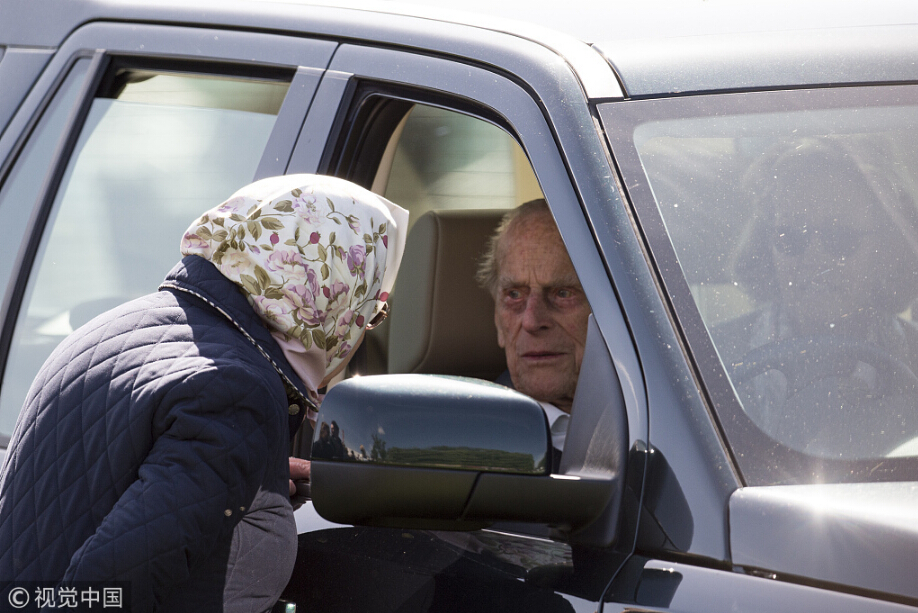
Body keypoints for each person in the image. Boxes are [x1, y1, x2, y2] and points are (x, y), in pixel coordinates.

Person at [0, 174, 408, 612]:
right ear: (331, 293)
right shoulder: (237, 392)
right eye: (372, 310)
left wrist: (244, 475)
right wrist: (234, 444)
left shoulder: (114, 327)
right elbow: (108, 589)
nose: (363, 328)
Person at [718, 137, 918, 456]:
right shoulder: (709, 359)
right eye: (790, 238)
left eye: (840, 238)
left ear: (886, 250)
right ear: (766, 248)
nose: (814, 260)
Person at [477, 199, 591, 456]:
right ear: (497, 320)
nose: (531, 321)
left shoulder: (672, 418)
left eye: (563, 293)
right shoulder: (471, 443)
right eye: (514, 295)